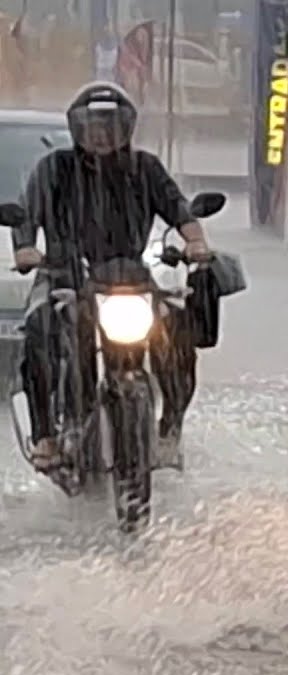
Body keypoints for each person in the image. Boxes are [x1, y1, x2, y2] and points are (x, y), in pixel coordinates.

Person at [11, 81, 211, 473]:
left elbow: (179, 209)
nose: (101, 134)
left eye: (111, 125)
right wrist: (25, 248)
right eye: (93, 126)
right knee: (40, 328)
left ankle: (170, 426)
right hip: (64, 275)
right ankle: (47, 435)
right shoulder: (54, 168)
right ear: (78, 129)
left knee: (177, 330)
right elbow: (27, 211)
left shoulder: (145, 168)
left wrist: (197, 243)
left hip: (129, 277)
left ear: (126, 128)